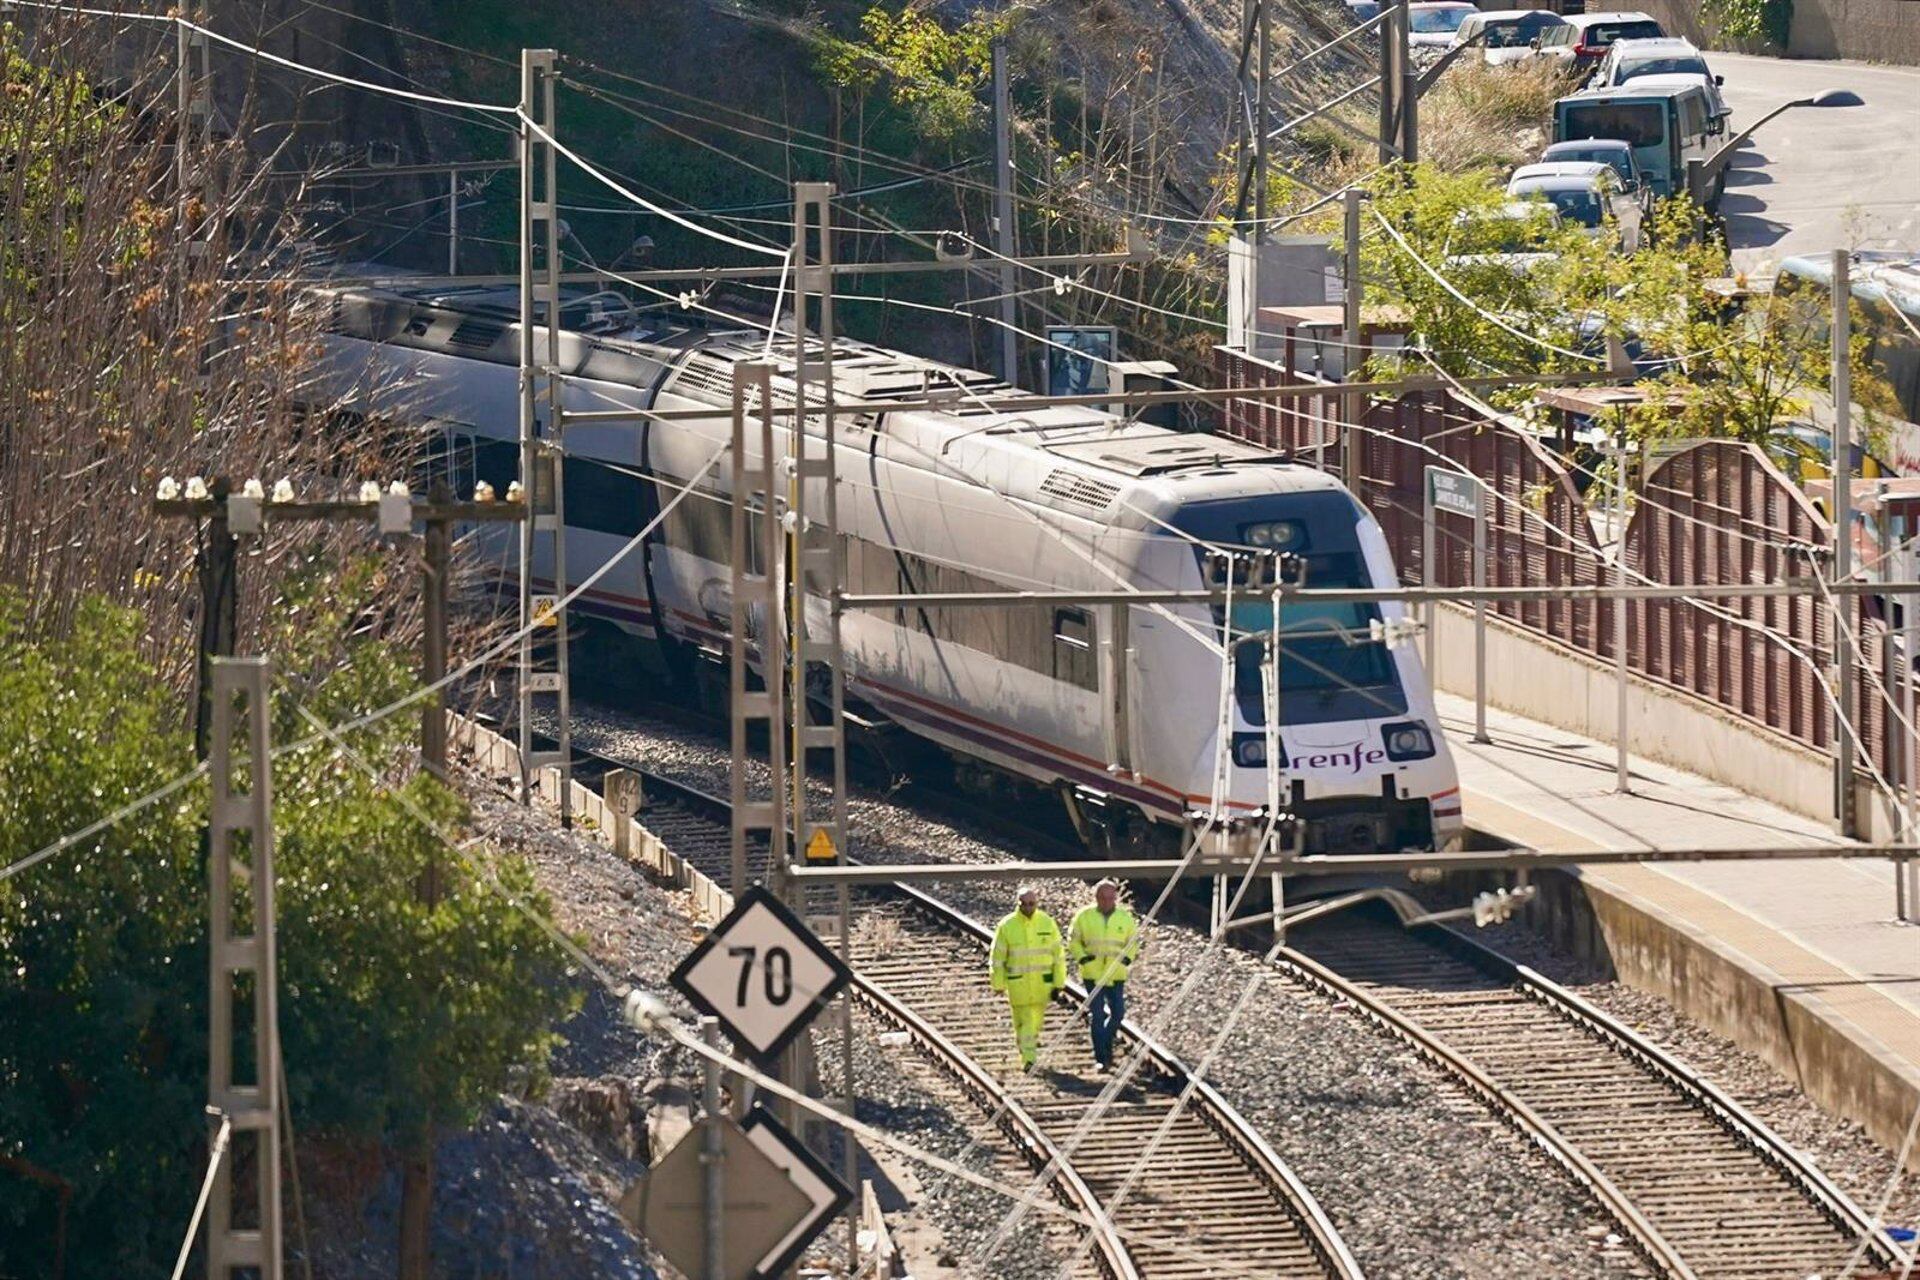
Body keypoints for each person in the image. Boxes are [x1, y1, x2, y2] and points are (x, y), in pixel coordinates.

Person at [989, 884, 1066, 1072]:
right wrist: (997, 983)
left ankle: (1027, 1053)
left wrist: (1059, 983)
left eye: (1032, 903)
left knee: (1034, 1024)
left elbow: (1058, 955)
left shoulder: (1047, 923)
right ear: (1019, 904)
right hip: (1019, 985)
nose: (1029, 907)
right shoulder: (1007, 925)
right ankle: (1029, 1059)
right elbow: (997, 958)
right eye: (1025, 904)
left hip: (1041, 986)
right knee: (1026, 1023)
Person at [1067, 879, 1141, 1072]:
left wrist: (1127, 959)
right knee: (1098, 1014)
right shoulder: (1084, 917)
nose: (1107, 901)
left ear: (1115, 898)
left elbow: (1133, 942)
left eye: (1110, 898)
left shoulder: (1124, 918)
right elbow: (1073, 941)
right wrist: (1083, 959)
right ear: (1096, 898)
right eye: (1103, 898)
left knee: (1118, 1013)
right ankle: (1101, 1057)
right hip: (1093, 973)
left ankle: (1106, 1041)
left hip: (1116, 973)